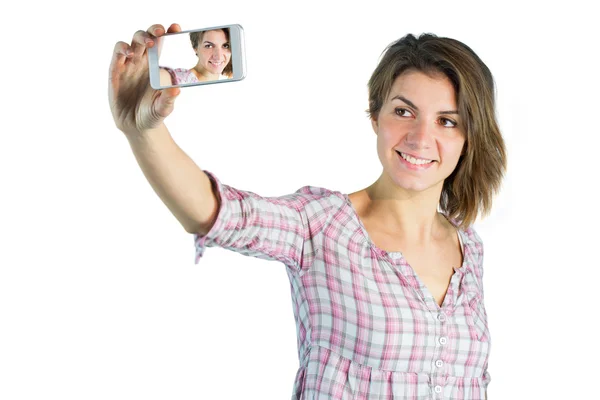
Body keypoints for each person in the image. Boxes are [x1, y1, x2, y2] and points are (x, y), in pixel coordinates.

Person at [109, 23, 506, 400]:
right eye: (403, 112)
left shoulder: (468, 247)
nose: (421, 138)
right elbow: (216, 212)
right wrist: (143, 130)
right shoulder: (323, 225)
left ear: (469, 136)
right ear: (375, 116)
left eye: (447, 121)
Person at [159, 28, 232, 86]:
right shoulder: (182, 79)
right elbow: (165, 78)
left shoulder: (228, 83)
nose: (218, 56)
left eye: (225, 46)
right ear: (196, 48)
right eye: (209, 46)